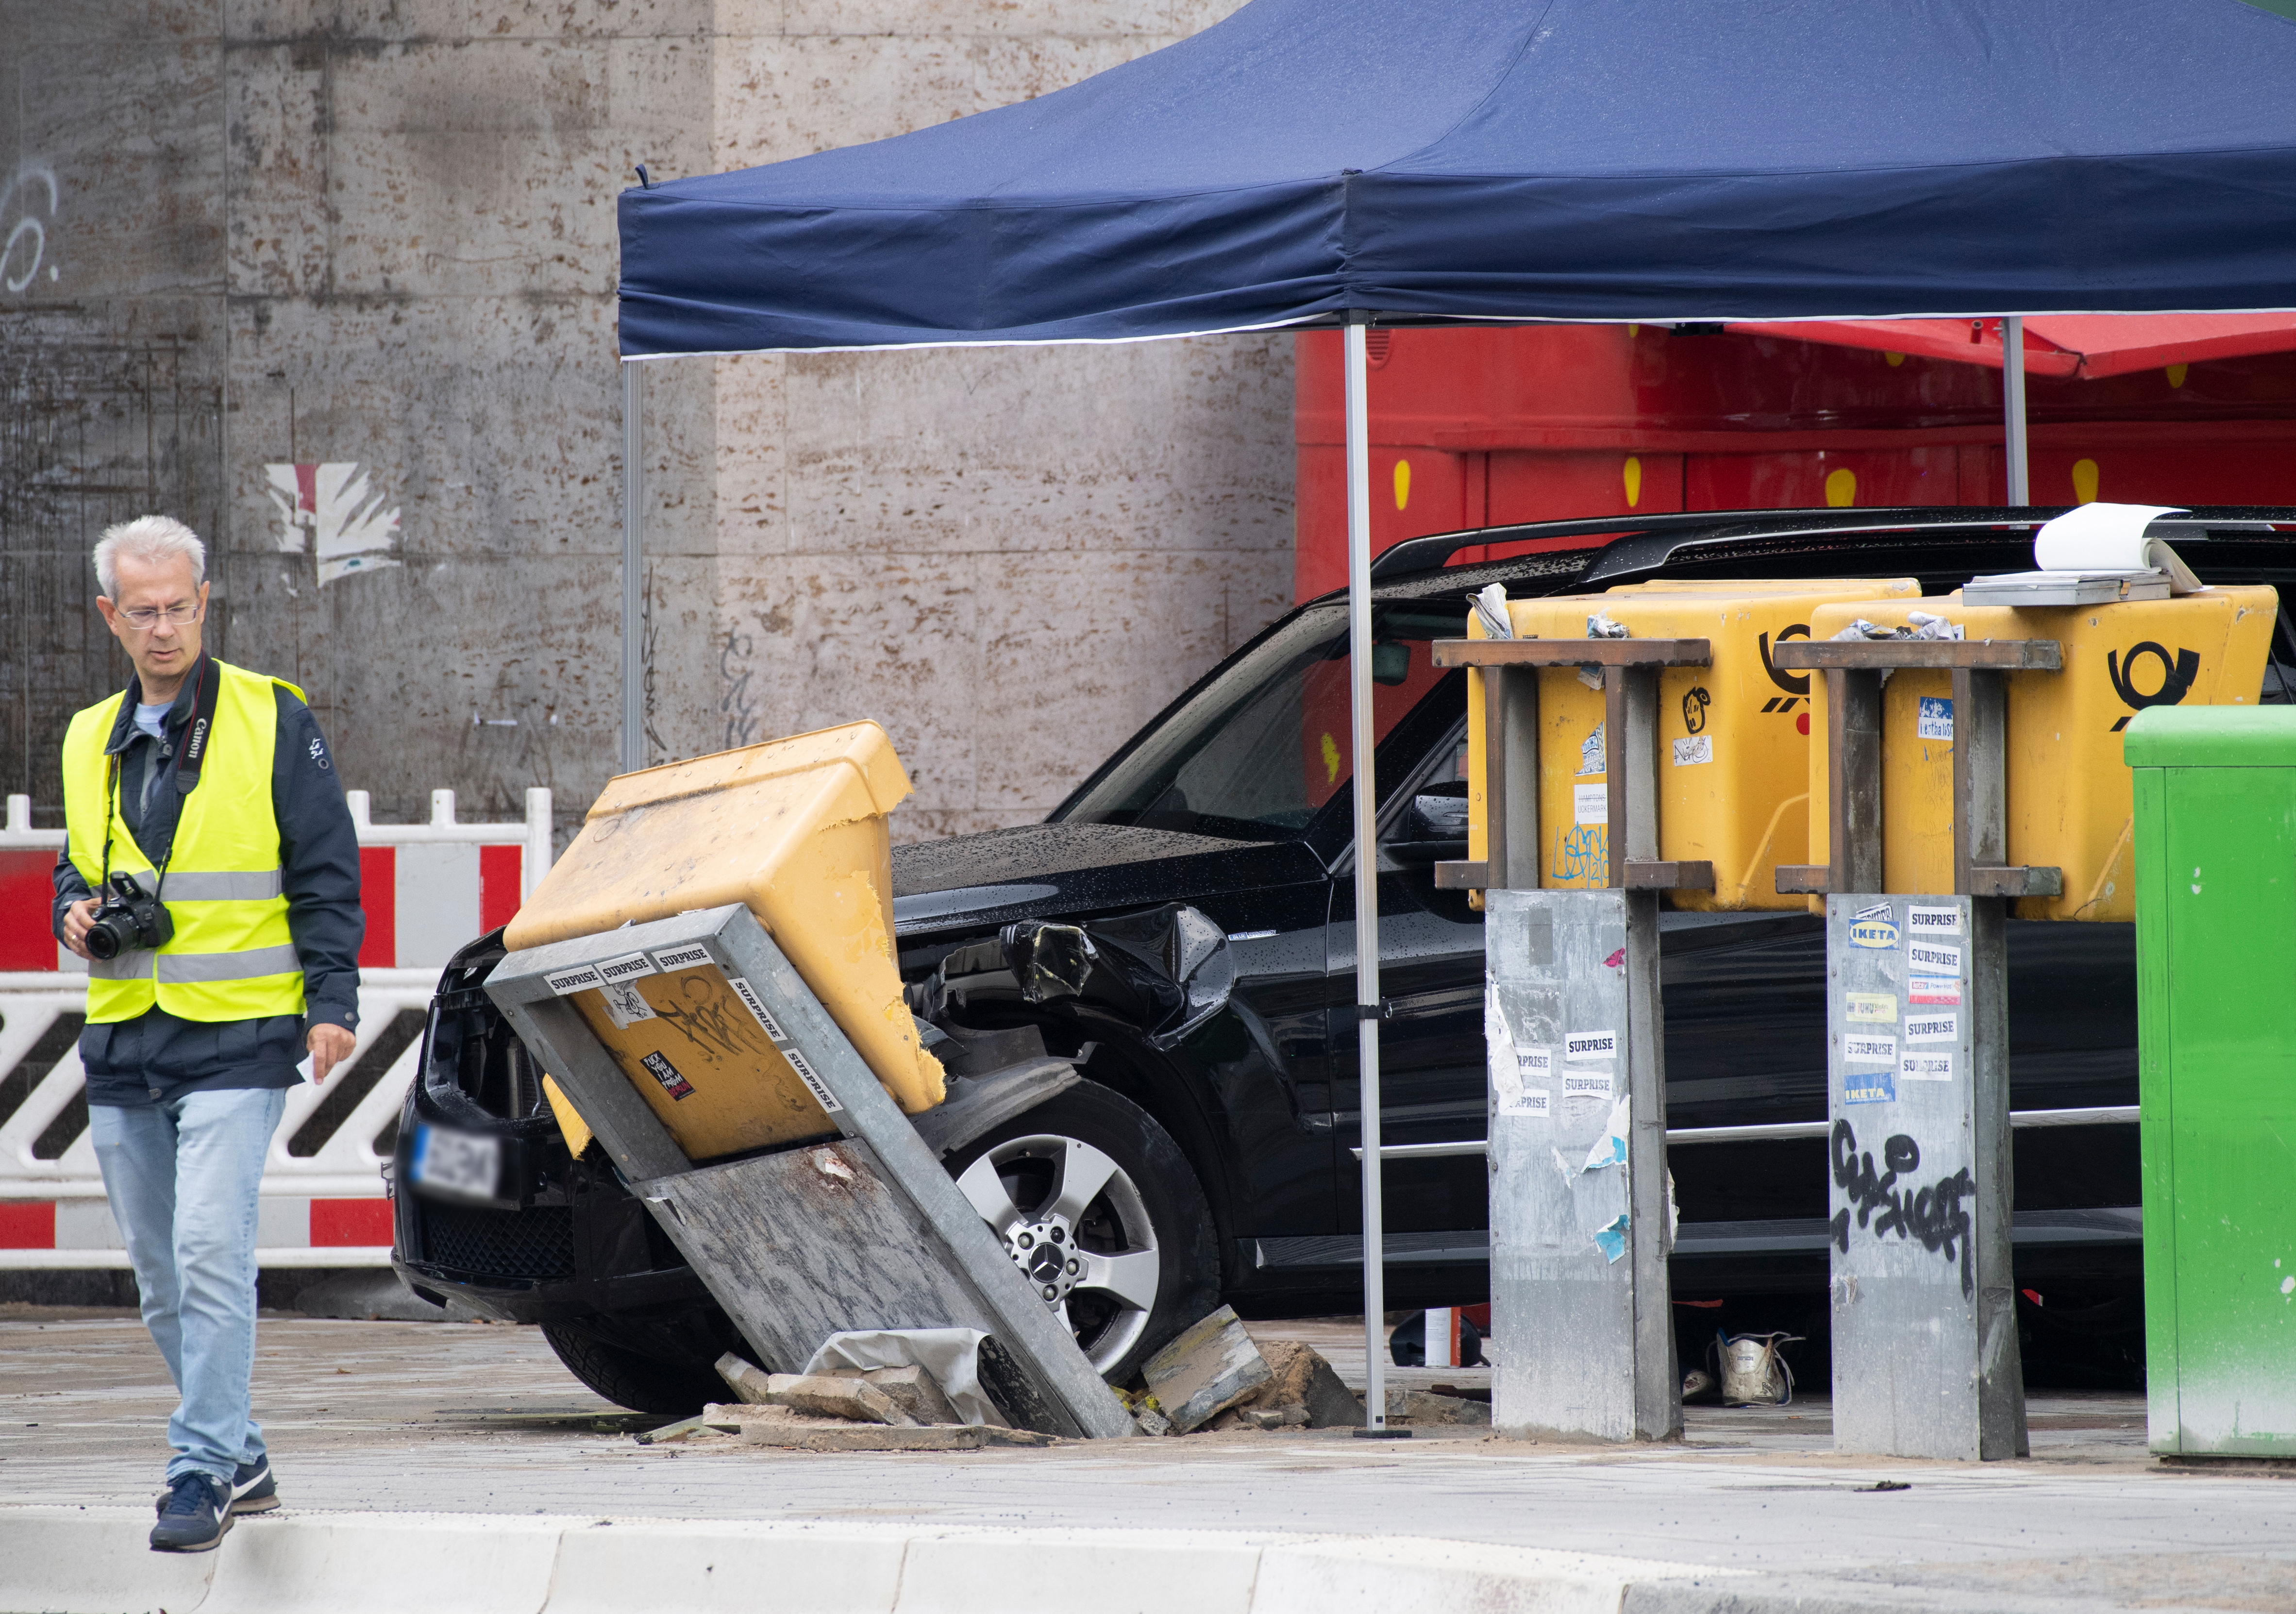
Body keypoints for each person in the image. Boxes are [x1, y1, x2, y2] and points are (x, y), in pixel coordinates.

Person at [52, 516, 363, 1552]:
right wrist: (74, 912)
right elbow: (80, 866)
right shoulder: (85, 734)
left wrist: (332, 1002)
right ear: (111, 616)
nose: (163, 627)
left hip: (240, 1032)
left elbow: (326, 869)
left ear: (205, 599)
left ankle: (199, 1467)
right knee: (158, 1276)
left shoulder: (273, 717)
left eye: (179, 606)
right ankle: (245, 1451)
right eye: (141, 611)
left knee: (210, 1250)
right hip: (125, 1038)